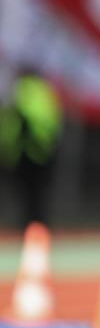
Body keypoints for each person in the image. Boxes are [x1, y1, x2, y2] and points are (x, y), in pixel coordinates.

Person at [0, 69, 63, 228]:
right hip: (42, 153)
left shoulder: (21, 91)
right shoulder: (45, 92)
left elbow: (13, 125)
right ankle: (35, 231)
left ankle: (31, 230)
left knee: (30, 199)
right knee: (36, 200)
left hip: (27, 153)